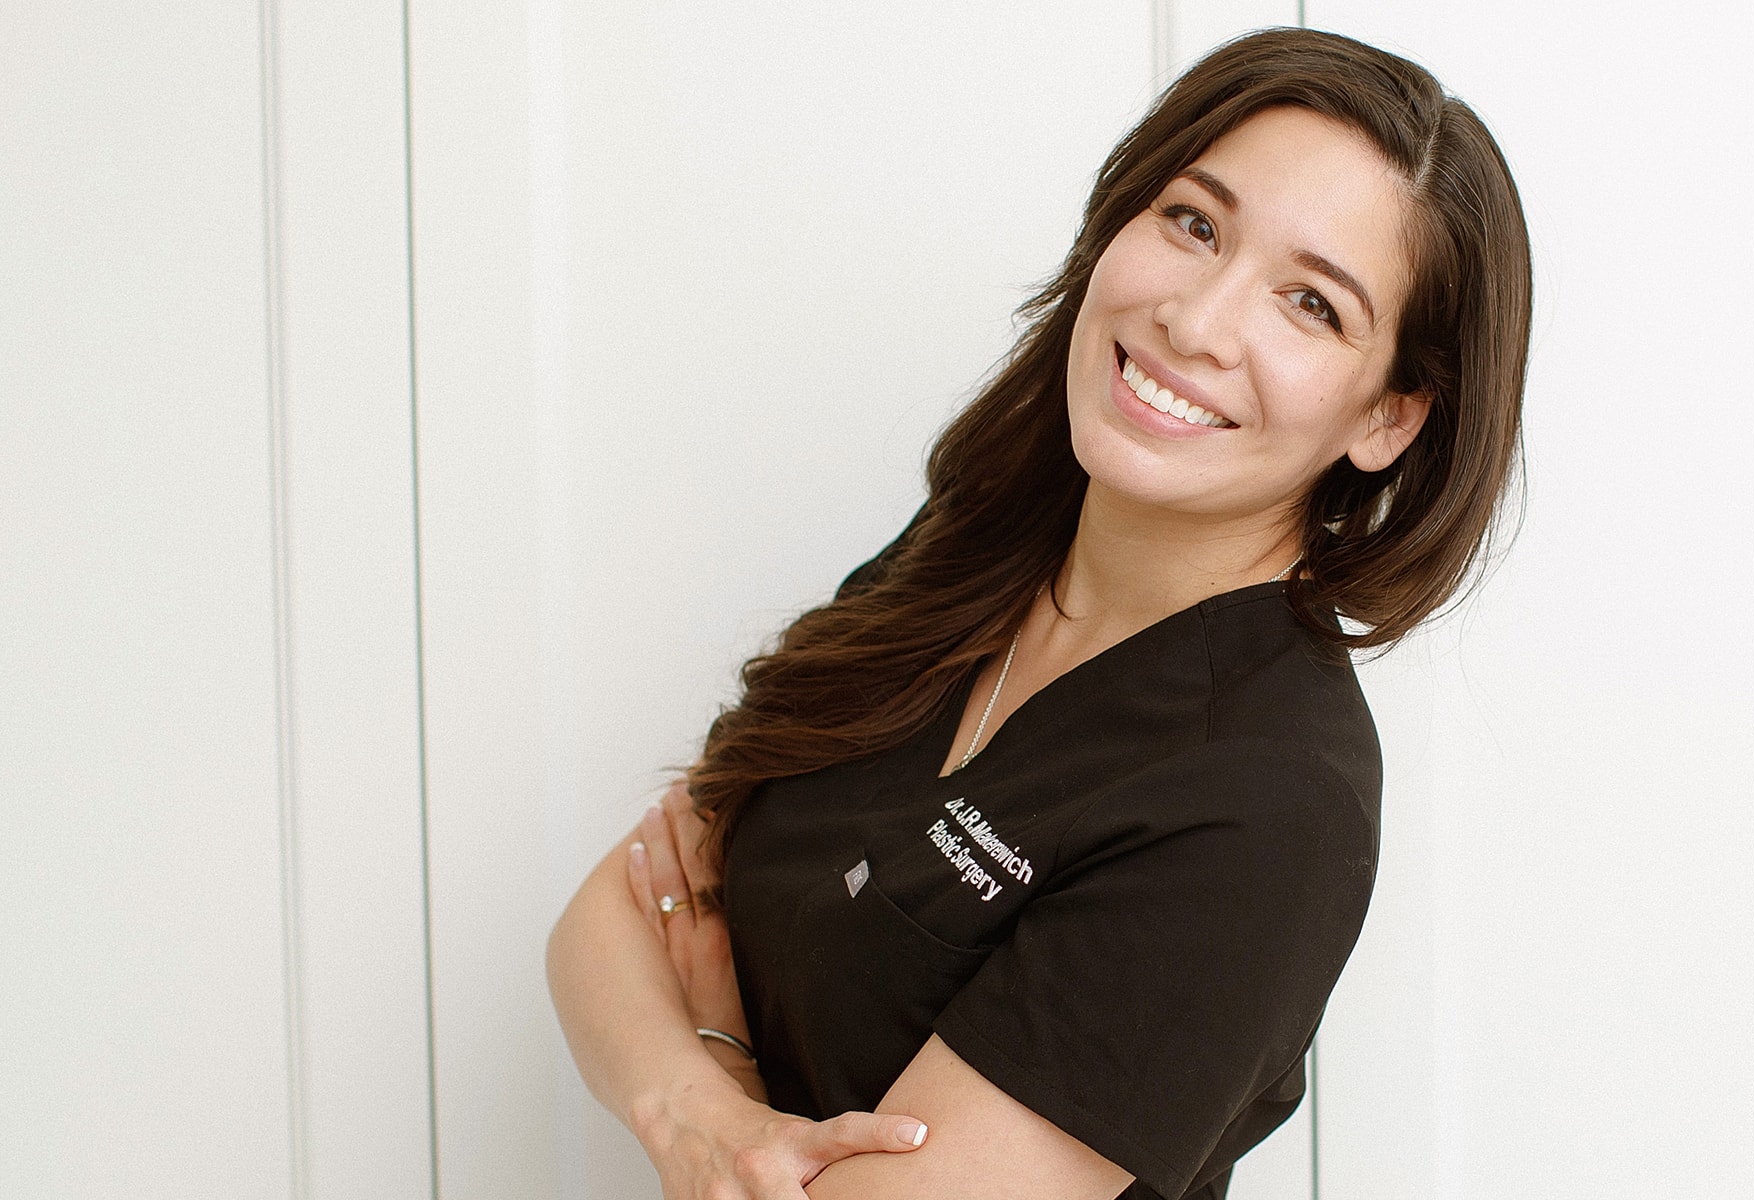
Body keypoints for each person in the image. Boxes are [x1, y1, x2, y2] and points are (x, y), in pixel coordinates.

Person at [547, 26, 1530, 1200]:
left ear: (1388, 417)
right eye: (1194, 223)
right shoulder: (974, 544)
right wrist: (700, 1111)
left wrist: (706, 1058)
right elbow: (616, 909)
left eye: (1310, 304)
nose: (1196, 322)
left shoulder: (1269, 801)